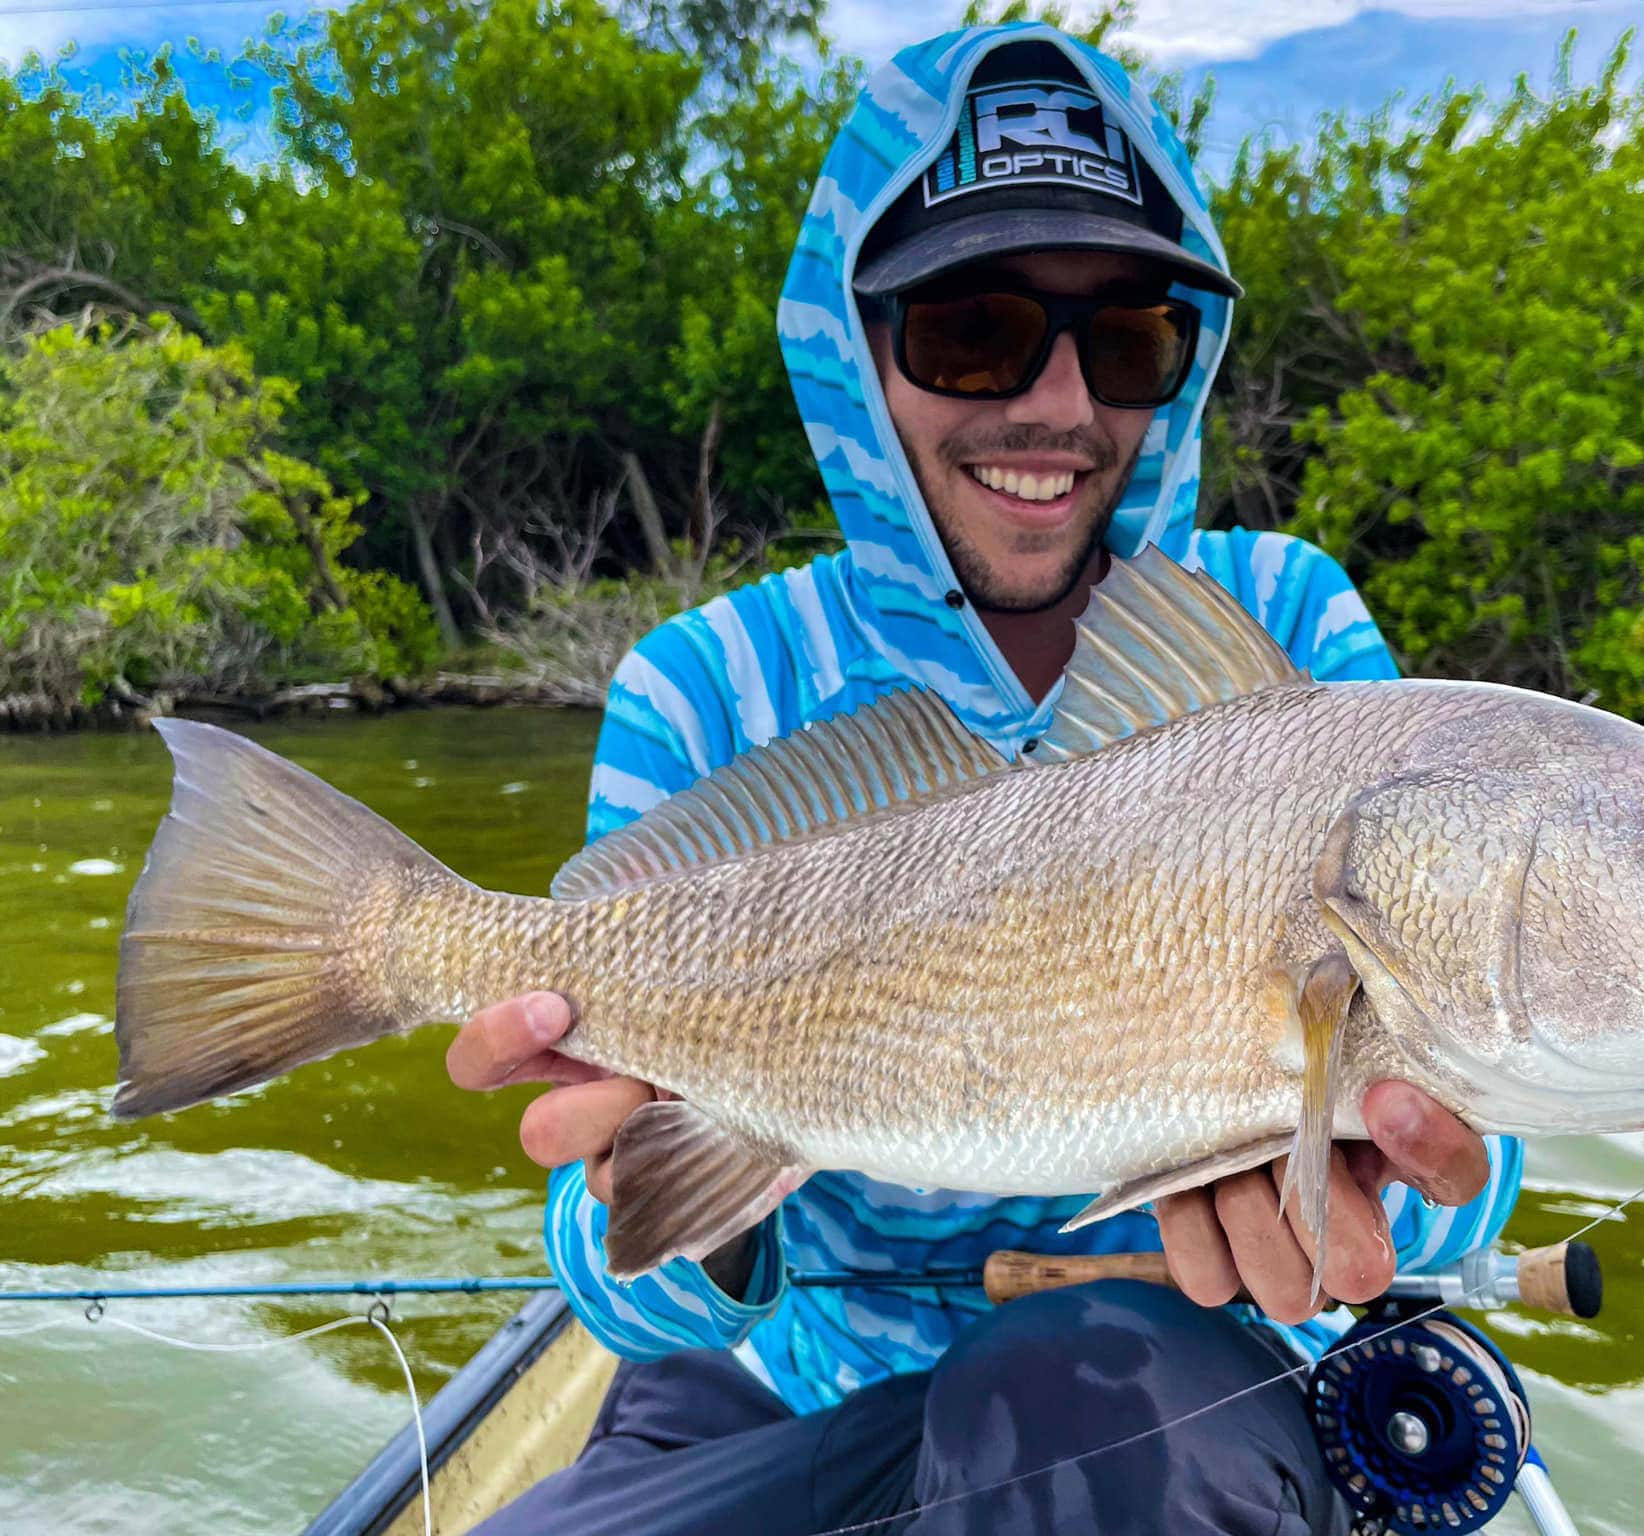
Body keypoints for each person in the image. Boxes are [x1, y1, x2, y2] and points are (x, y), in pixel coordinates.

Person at [447, 24, 1524, 1534]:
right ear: (854, 347)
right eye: (973, 330)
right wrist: (688, 1195)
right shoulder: (703, 684)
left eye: (1132, 333)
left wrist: (1398, 1185)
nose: (1063, 406)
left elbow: (1483, 1173)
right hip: (789, 1398)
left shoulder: (1288, 625)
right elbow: (623, 1304)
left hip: (1179, 1400)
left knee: (1074, 1413)